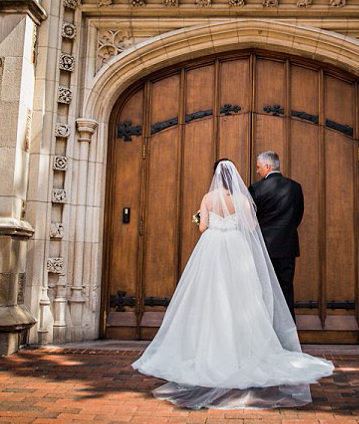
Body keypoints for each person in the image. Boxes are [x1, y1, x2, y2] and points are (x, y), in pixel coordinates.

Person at [131, 159, 333, 409]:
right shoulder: (243, 200)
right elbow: (250, 227)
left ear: (215, 175)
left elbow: (203, 227)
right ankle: (243, 353)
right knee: (242, 299)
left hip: (212, 248)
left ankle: (210, 352)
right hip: (236, 247)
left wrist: (202, 221)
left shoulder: (208, 198)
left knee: (211, 298)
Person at [248, 151, 304, 320]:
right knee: (286, 289)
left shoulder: (256, 188)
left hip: (264, 247)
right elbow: (298, 215)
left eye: (258, 167)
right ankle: (288, 332)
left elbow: (251, 218)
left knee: (265, 289)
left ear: (267, 166)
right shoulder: (295, 187)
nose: (257, 171)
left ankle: (267, 331)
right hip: (287, 246)